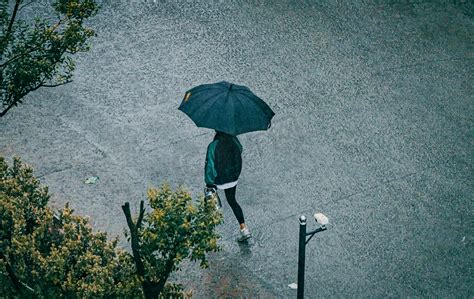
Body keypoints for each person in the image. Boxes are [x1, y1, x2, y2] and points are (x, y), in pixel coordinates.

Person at [205, 130, 251, 242]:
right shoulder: (233, 140)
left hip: (219, 178)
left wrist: (209, 183)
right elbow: (240, 149)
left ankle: (207, 231)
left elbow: (210, 166)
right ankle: (244, 229)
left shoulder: (213, 146)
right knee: (232, 200)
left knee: (209, 202)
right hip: (232, 177)